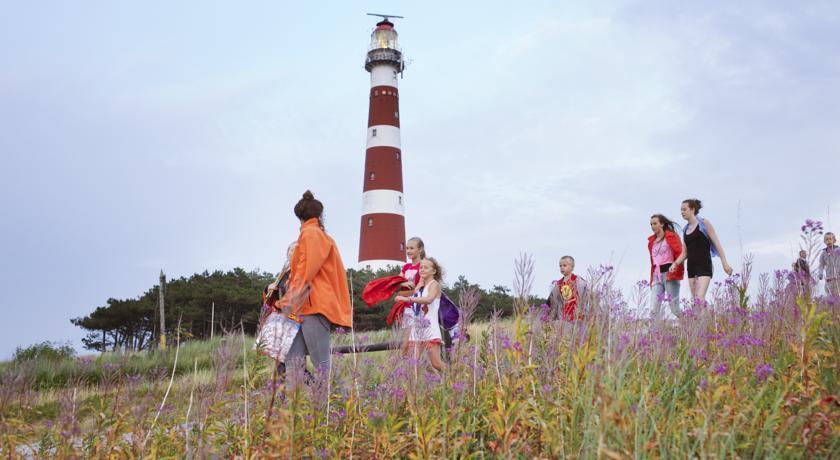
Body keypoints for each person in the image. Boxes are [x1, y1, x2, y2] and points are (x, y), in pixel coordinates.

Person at [276, 191, 353, 379]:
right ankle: (295, 408)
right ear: (319, 215)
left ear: (299, 216)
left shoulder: (311, 234)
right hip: (302, 307)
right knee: (294, 365)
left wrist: (287, 301)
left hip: (312, 306)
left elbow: (305, 271)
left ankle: (336, 407)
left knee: (320, 366)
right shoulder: (315, 234)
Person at [670, 199, 733, 303]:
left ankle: (707, 319)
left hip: (704, 266)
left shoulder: (704, 223)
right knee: (695, 300)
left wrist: (725, 264)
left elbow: (717, 244)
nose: (682, 212)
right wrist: (675, 263)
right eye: (681, 210)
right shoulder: (685, 229)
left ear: (692, 209)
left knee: (699, 297)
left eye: (684, 209)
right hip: (691, 267)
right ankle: (706, 318)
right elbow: (684, 253)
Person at [395, 257, 445, 372]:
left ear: (434, 271)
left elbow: (428, 299)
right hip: (416, 328)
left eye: (426, 268)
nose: (422, 269)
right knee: (413, 362)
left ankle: (453, 378)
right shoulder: (419, 287)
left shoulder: (434, 284)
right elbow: (413, 299)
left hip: (430, 328)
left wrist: (407, 299)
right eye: (421, 267)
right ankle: (415, 387)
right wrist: (410, 293)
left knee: (436, 363)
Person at [647, 214, 684, 319]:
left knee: (674, 308)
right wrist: (651, 278)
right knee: (654, 307)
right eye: (651, 224)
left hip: (669, 274)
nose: (652, 226)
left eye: (655, 223)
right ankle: (655, 334)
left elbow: (680, 253)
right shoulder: (651, 242)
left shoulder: (671, 236)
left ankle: (688, 327)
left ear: (662, 224)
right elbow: (652, 262)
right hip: (656, 276)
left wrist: (676, 268)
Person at [547, 256, 587, 321]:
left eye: (564, 265)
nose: (562, 267)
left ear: (572, 267)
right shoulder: (558, 284)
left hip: (576, 316)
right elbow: (551, 301)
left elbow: (585, 297)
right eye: (560, 266)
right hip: (563, 316)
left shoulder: (579, 282)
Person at [818, 232, 840, 297]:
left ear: (834, 240)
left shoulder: (838, 250)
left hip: (838, 278)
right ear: (824, 241)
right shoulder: (823, 253)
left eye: (830, 239)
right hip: (829, 279)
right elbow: (821, 265)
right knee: (829, 297)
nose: (829, 241)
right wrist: (820, 273)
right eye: (827, 239)